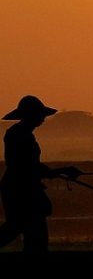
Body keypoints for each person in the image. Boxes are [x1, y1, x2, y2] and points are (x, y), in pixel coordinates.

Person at [0, 95, 80, 252]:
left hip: (20, 187)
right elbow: (26, 166)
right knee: (27, 231)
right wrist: (61, 171)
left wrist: (58, 171)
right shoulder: (19, 135)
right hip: (20, 189)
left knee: (19, 229)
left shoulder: (21, 133)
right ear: (31, 116)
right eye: (39, 115)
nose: (43, 118)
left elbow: (31, 166)